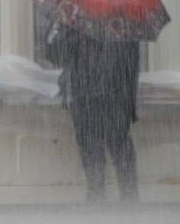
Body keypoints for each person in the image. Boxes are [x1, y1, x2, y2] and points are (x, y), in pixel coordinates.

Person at [44, 20, 141, 202]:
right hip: (112, 93)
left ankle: (99, 195)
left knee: (96, 143)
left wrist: (59, 27)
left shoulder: (74, 19)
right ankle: (126, 195)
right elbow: (132, 63)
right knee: (115, 143)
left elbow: (54, 53)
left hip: (90, 93)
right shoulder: (124, 20)